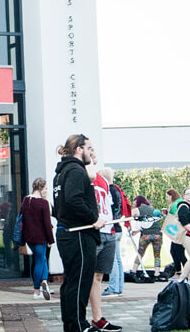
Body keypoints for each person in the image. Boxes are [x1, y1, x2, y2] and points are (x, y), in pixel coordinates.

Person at [52, 134, 106, 332]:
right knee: (80, 282)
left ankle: (72, 325)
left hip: (68, 232)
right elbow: (74, 200)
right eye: (88, 148)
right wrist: (94, 219)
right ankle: (78, 325)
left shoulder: (60, 173)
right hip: (79, 234)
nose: (90, 153)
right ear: (78, 149)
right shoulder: (75, 170)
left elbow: (58, 207)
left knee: (71, 282)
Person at [87, 159, 122, 331]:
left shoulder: (103, 181)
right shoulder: (83, 176)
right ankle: (83, 317)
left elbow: (109, 205)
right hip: (95, 231)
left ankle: (97, 317)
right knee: (87, 275)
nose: (92, 154)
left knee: (99, 276)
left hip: (109, 231)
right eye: (89, 149)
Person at [22, 178, 55, 300]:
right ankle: (38, 289)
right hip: (41, 237)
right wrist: (51, 240)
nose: (46, 191)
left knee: (40, 259)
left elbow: (22, 217)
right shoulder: (43, 203)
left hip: (29, 237)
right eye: (45, 188)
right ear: (41, 188)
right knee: (41, 260)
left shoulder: (26, 200)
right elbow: (47, 224)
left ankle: (44, 282)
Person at [99, 168, 130, 297]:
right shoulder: (117, 190)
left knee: (112, 260)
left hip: (110, 227)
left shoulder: (109, 191)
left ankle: (113, 287)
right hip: (117, 227)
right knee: (117, 259)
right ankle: (118, 286)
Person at [167, 188, 190, 282]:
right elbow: (184, 221)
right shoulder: (183, 206)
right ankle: (182, 278)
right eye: (187, 194)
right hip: (189, 235)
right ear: (183, 196)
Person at [130, 196, 163, 273]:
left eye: (135, 202)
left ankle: (134, 270)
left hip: (145, 235)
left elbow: (136, 221)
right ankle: (157, 272)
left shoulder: (137, 210)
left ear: (138, 202)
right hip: (157, 235)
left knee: (140, 253)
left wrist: (134, 230)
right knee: (157, 255)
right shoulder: (153, 209)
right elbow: (149, 223)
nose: (134, 204)